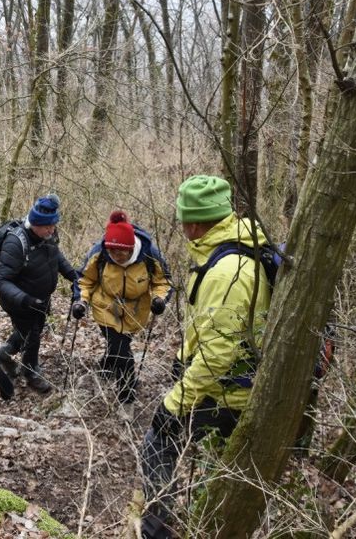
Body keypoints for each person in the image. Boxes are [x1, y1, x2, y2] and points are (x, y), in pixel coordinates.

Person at [139, 175, 272, 539]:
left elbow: (217, 354)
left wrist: (175, 403)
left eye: (184, 219)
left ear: (195, 223)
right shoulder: (239, 248)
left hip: (230, 394)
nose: (182, 227)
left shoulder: (227, 272)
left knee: (156, 442)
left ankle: (157, 532)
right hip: (237, 387)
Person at [69, 211, 172, 407]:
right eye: (112, 251)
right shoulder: (99, 253)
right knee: (123, 355)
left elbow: (163, 281)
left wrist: (160, 299)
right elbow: (85, 279)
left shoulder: (149, 254)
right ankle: (127, 399)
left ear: (131, 247)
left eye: (121, 252)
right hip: (106, 307)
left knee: (118, 345)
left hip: (135, 311)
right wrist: (80, 301)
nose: (116, 256)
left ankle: (106, 366)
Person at [0, 194, 79, 393]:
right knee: (32, 335)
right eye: (48, 226)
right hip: (20, 302)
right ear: (35, 224)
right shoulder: (16, 243)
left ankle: (4, 353)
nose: (52, 230)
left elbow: (56, 256)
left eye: (53, 225)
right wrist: (25, 299)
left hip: (40, 299)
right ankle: (31, 372)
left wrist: (73, 276)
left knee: (30, 331)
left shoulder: (48, 236)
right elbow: (1, 279)